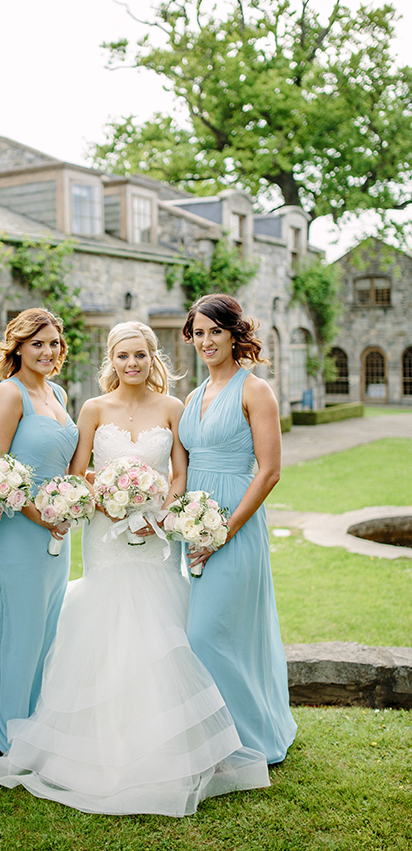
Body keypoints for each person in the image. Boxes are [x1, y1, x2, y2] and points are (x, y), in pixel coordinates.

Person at [0, 321, 270, 816]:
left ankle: (166, 743)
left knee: (159, 625)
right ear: (110, 362)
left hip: (155, 536)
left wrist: (159, 514)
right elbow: (78, 473)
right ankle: (97, 743)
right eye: (122, 357)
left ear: (152, 357)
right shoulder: (94, 409)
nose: (132, 364)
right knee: (105, 622)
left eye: (140, 355)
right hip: (106, 533)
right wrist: (108, 501)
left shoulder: (173, 407)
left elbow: (179, 472)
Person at [179, 293, 297, 764]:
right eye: (199, 333)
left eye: (216, 332)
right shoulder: (191, 396)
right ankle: (216, 736)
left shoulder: (255, 390)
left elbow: (269, 471)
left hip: (235, 525)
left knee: (212, 633)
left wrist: (223, 530)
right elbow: (181, 471)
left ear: (234, 335)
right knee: (205, 633)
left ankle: (252, 739)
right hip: (194, 526)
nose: (206, 341)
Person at [0, 308, 78, 757]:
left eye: (53, 342)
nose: (46, 350)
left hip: (58, 532)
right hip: (20, 532)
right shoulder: (9, 393)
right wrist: (43, 515)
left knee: (47, 631)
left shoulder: (57, 392)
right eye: (37, 342)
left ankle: (35, 725)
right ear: (18, 346)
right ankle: (5, 737)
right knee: (19, 632)